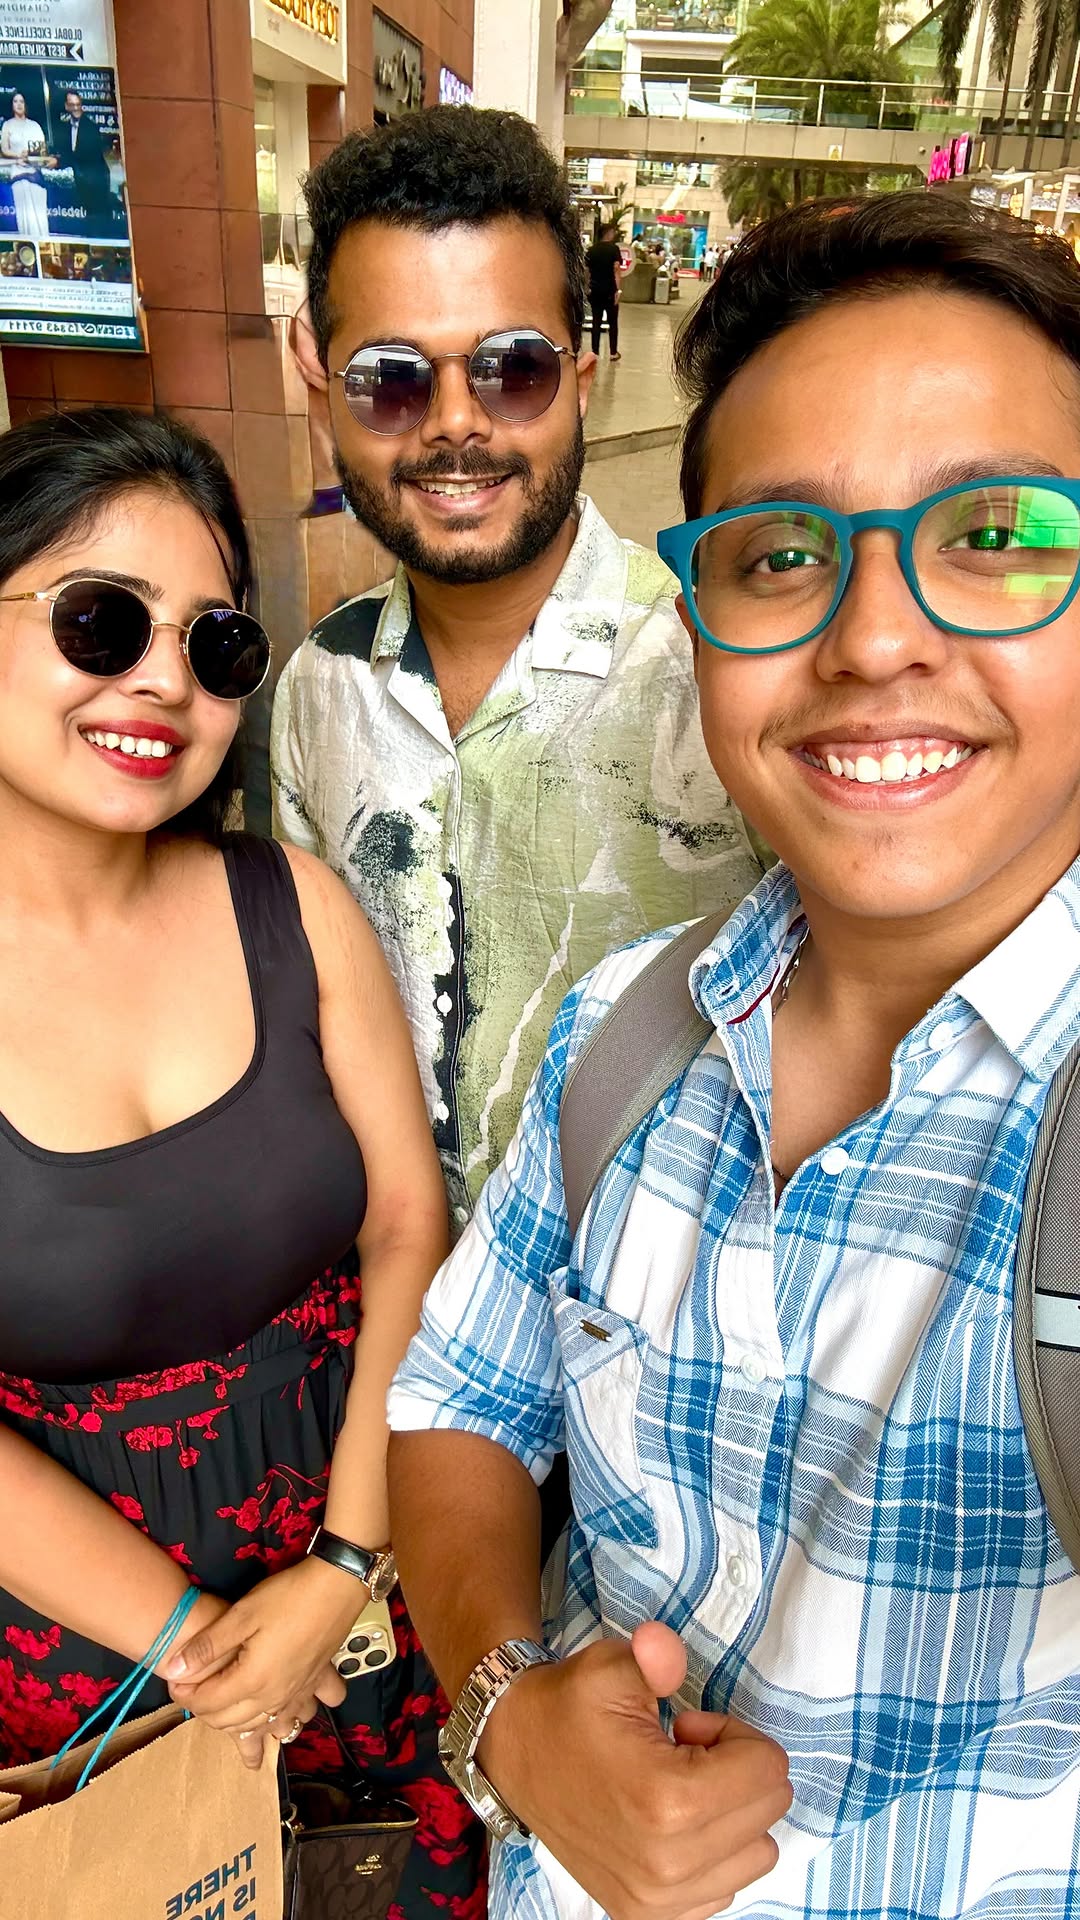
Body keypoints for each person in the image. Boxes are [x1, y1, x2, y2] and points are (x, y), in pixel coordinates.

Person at [386, 191, 1080, 1920]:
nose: (874, 638)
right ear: (697, 624)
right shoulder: (629, 1034)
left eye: (996, 532)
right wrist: (509, 1718)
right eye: (780, 555)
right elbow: (459, 1403)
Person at [0, 408, 481, 1917]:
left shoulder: (294, 906)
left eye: (214, 645)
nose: (162, 679)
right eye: (99, 621)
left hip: (373, 1580)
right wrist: (202, 1652)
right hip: (90, 1664)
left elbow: (405, 1226)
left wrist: (342, 1567)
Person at [271, 106, 762, 1231]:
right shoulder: (319, 688)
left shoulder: (718, 673)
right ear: (325, 389)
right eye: (390, 379)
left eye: (513, 369)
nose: (456, 425)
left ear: (581, 378)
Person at [54, 90, 112, 231]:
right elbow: (65, 151)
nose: (75, 108)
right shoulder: (64, 128)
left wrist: (59, 162)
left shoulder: (90, 128)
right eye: (72, 105)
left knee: (97, 221)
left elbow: (83, 155)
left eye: (78, 104)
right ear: (66, 106)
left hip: (94, 179)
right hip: (80, 179)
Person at [1, 93, 53, 239]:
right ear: (12, 105)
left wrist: (30, 154)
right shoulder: (7, 125)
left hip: (35, 174)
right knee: (24, 217)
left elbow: (42, 150)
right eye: (15, 101)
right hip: (18, 174)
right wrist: (19, 155)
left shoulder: (34, 126)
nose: (18, 104)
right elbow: (4, 149)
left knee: (39, 217)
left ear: (26, 104)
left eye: (21, 101)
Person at [586, 219, 622, 360]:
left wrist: (587, 287)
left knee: (596, 322)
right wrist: (618, 290)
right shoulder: (614, 249)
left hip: (595, 290)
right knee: (613, 322)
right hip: (609, 290)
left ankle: (595, 352)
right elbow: (616, 269)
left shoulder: (592, 250)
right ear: (609, 233)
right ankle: (613, 353)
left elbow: (586, 271)